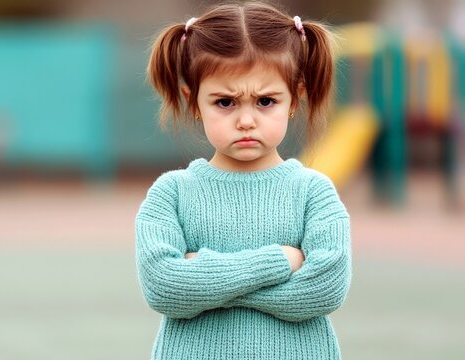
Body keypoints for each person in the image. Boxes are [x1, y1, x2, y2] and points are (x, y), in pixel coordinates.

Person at [135, 2, 351, 359]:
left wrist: (204, 280)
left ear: (294, 99)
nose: (246, 120)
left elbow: (324, 289)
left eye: (266, 101)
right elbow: (164, 288)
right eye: (225, 102)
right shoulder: (171, 193)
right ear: (194, 102)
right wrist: (280, 261)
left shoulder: (314, 192)